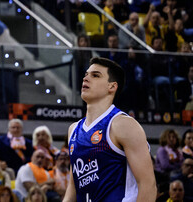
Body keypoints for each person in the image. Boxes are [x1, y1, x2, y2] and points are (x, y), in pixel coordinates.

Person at [64, 57, 156, 201]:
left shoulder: (122, 124)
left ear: (112, 87)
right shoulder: (73, 130)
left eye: (95, 75)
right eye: (86, 74)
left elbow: (148, 185)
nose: (86, 78)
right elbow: (72, 188)